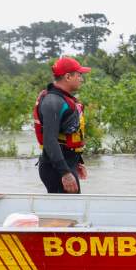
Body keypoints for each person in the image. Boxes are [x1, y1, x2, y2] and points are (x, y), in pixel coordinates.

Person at [34, 56, 90, 194]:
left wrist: (76, 161)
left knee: (70, 213)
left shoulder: (63, 99)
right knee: (66, 214)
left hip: (65, 164)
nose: (81, 79)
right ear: (68, 77)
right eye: (79, 75)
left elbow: (64, 138)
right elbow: (50, 140)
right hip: (56, 170)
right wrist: (65, 173)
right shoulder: (53, 102)